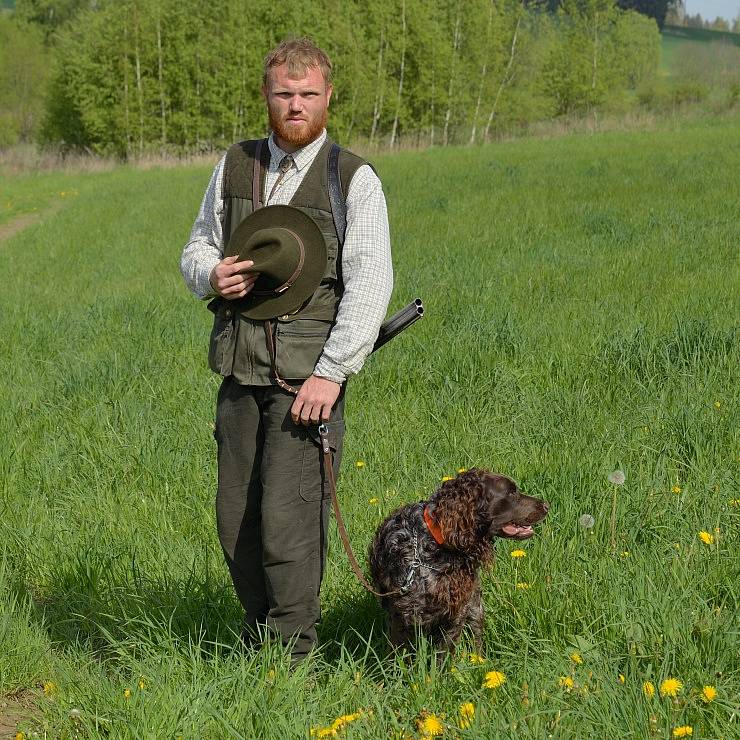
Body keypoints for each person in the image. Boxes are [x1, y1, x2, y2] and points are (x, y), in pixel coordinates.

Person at [180, 38, 393, 662]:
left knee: (290, 524)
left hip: (308, 382)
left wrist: (331, 373)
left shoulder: (351, 178)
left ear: (327, 96)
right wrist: (211, 276)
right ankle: (257, 640)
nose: (295, 106)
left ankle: (293, 659)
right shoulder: (235, 166)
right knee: (235, 521)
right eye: (283, 94)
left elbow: (371, 282)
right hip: (240, 371)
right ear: (267, 96)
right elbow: (197, 246)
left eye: (307, 95)